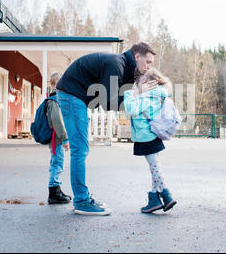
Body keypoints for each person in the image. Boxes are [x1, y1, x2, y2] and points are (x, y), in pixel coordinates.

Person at [56, 43, 158, 216]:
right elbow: (107, 101)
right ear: (137, 56)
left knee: (81, 149)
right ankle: (81, 201)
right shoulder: (116, 64)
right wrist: (137, 93)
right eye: (148, 62)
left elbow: (122, 97)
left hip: (76, 96)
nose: (149, 67)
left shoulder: (125, 69)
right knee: (80, 150)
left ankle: (83, 197)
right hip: (72, 95)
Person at [124, 68, 177, 214]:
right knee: (154, 166)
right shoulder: (157, 95)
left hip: (146, 136)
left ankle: (166, 194)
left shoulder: (145, 97)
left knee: (154, 167)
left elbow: (130, 109)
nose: (136, 83)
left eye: (139, 81)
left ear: (146, 82)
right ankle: (154, 199)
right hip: (153, 134)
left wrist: (131, 94)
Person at [46, 73, 72, 205]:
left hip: (56, 139)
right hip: (57, 140)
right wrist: (65, 139)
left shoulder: (56, 99)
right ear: (53, 85)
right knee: (57, 165)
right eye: (58, 82)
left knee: (57, 164)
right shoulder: (54, 101)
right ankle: (54, 193)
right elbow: (57, 121)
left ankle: (57, 190)